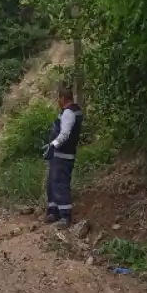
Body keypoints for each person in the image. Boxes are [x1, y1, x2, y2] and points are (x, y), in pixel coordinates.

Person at [42, 84, 84, 229]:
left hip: (63, 155)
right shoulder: (74, 111)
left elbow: (65, 134)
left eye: (58, 98)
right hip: (61, 155)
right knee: (53, 183)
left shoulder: (69, 113)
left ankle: (65, 216)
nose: (57, 101)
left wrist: (53, 145)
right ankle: (53, 212)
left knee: (60, 184)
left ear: (63, 98)